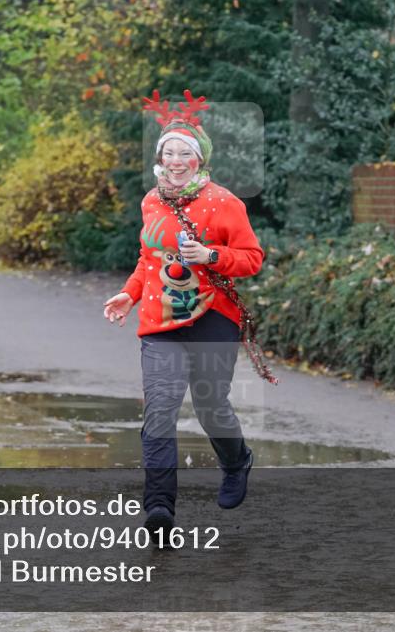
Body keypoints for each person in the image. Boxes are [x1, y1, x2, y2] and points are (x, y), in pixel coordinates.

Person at [102, 89, 276, 541]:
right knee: (160, 411)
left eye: (185, 153)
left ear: (199, 159)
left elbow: (252, 258)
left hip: (213, 315)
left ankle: (236, 461)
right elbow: (149, 259)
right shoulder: (151, 201)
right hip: (160, 320)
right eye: (169, 153)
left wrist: (211, 255)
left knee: (210, 405)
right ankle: (159, 508)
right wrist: (129, 294)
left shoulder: (225, 202)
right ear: (160, 158)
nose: (176, 161)